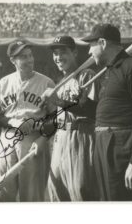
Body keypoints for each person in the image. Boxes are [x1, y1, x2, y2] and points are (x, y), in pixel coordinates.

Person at [82, 24, 132, 201]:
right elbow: (103, 115)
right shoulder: (109, 72)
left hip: (123, 147)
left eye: (91, 45)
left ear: (102, 43)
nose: (89, 52)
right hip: (104, 146)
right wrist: (71, 103)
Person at [0, 39, 55, 202]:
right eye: (23, 57)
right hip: (7, 139)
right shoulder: (4, 83)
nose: (29, 59)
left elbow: (54, 119)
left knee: (31, 197)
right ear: (12, 60)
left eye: (30, 55)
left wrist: (42, 139)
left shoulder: (46, 83)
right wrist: (11, 122)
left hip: (32, 140)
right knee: (2, 195)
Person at [42, 36, 99, 201]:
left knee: (81, 194)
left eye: (63, 52)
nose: (58, 57)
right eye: (55, 53)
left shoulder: (87, 75)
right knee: (57, 195)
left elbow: (92, 110)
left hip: (80, 137)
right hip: (60, 140)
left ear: (74, 52)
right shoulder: (61, 82)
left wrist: (58, 101)